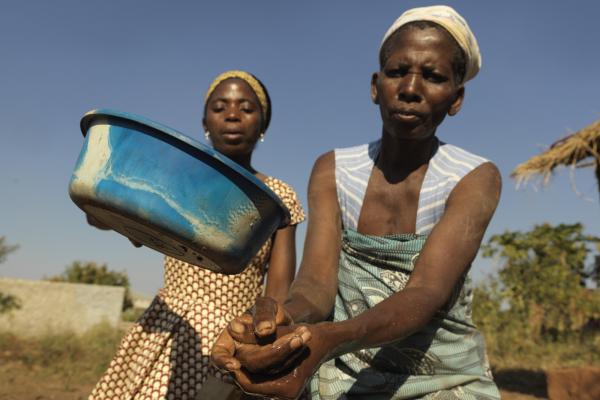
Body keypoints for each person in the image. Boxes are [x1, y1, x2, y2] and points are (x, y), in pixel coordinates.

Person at [212, 6, 501, 400]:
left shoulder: (472, 177)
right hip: (343, 373)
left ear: (456, 98)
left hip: (444, 377)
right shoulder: (334, 169)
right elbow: (316, 284)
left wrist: (329, 338)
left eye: (433, 76)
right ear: (374, 86)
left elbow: (425, 293)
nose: (411, 88)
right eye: (398, 71)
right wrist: (282, 317)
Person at [88, 70, 305, 399]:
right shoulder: (178, 180)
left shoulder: (276, 197)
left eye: (246, 108)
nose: (232, 116)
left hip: (232, 337)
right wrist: (103, 198)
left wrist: (261, 342)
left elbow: (276, 291)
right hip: (169, 328)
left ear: (262, 126)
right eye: (220, 108)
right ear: (205, 122)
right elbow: (121, 221)